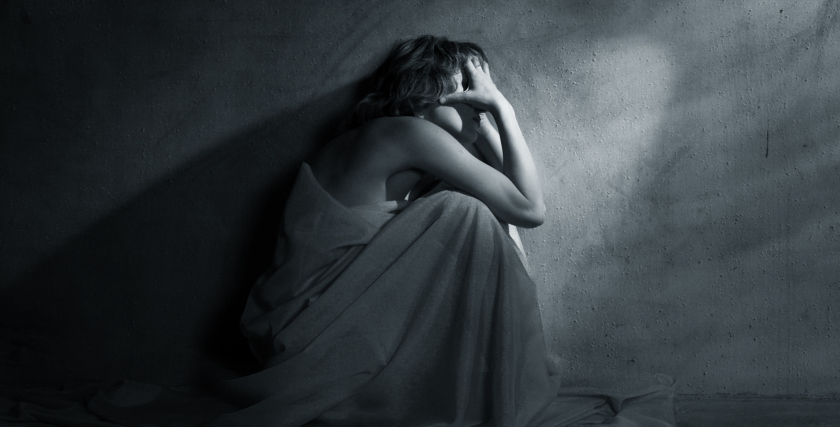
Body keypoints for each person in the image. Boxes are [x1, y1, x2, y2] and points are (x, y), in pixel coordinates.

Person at [207, 36, 674, 426]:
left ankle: (476, 387)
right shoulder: (408, 133)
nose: (480, 106)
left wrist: (481, 125)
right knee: (463, 211)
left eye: (484, 96)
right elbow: (531, 208)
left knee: (468, 206)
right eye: (470, 92)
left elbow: (509, 199)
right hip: (318, 342)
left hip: (306, 331)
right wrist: (504, 111)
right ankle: (493, 391)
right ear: (427, 94)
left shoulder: (383, 140)